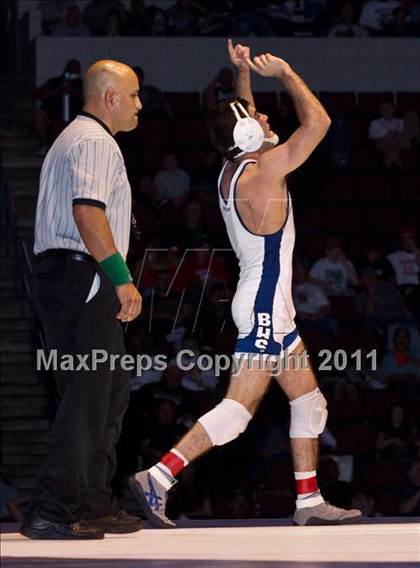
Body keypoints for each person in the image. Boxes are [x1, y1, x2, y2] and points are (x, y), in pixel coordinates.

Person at [129, 39, 362, 527]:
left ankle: (307, 502)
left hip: (268, 304)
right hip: (262, 307)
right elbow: (318, 123)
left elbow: (245, 120)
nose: (268, 122)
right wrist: (286, 72)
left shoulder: (234, 165)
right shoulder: (266, 172)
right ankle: (159, 475)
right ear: (248, 134)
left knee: (308, 400)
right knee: (237, 411)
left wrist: (243, 75)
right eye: (259, 122)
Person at [21, 60, 143, 540]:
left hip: (68, 277)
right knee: (88, 398)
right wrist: (121, 277)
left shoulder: (75, 137)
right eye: (133, 95)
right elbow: (88, 214)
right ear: (110, 96)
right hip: (81, 276)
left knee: (110, 392)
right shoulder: (95, 141)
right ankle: (50, 509)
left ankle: (91, 502)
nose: (139, 104)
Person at [34, 59, 83, 155]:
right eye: (71, 68)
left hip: (76, 118)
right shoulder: (54, 82)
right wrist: (58, 90)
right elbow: (37, 94)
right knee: (38, 115)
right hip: (54, 116)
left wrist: (72, 91)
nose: (73, 71)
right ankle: (45, 145)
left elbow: (87, 98)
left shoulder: (83, 84)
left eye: (75, 68)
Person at [368, 101, 404, 169]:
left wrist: (390, 136)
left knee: (393, 144)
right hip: (383, 145)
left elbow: (403, 137)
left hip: (398, 143)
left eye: (389, 108)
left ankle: (391, 166)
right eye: (384, 109)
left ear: (393, 110)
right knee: (388, 145)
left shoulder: (401, 121)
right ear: (380, 111)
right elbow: (377, 140)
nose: (387, 111)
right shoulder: (375, 123)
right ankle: (396, 165)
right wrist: (391, 135)